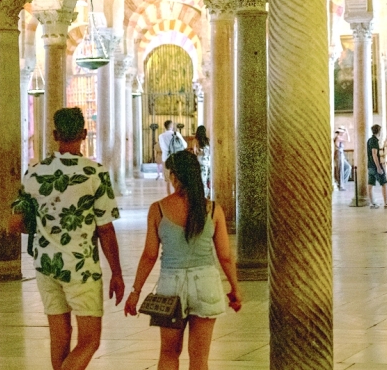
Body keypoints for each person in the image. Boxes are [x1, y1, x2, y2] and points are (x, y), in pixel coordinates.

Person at [12, 107, 125, 370]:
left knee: (60, 337)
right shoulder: (94, 174)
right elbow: (105, 229)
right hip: (80, 267)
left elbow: (18, 221)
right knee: (90, 340)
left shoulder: (35, 173)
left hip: (46, 265)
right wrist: (116, 273)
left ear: (54, 134)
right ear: (84, 133)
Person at [124, 150, 242, 370]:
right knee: (199, 359)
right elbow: (225, 256)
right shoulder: (213, 210)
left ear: (175, 176)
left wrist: (136, 291)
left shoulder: (158, 209)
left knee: (169, 353)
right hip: (206, 284)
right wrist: (235, 288)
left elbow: (149, 255)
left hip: (171, 287)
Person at [159, 120, 187, 195]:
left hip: (166, 158)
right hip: (177, 157)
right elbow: (184, 145)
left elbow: (163, 148)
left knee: (167, 178)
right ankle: (177, 193)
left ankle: (169, 194)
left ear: (165, 126)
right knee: (177, 177)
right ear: (172, 126)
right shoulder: (176, 134)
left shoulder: (161, 136)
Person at [367, 125, 387, 209]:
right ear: (379, 131)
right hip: (375, 166)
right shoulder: (374, 141)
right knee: (384, 183)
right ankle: (386, 203)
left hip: (370, 166)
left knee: (370, 184)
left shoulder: (369, 140)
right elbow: (374, 154)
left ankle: (372, 203)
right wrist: (378, 167)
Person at [332, 126, 351, 191]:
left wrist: (346, 131)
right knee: (340, 170)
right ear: (339, 132)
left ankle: (342, 183)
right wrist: (347, 131)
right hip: (338, 153)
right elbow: (348, 140)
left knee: (348, 167)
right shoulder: (338, 137)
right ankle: (340, 185)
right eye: (342, 132)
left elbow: (348, 140)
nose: (343, 133)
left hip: (341, 153)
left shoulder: (339, 137)